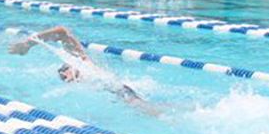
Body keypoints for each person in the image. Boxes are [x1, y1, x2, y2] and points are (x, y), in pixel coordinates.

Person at [9, 26, 158, 115]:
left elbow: (62, 32)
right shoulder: (79, 85)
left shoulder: (83, 63)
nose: (65, 75)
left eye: (65, 70)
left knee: (151, 111)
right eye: (63, 76)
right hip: (119, 95)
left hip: (123, 93)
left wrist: (27, 44)